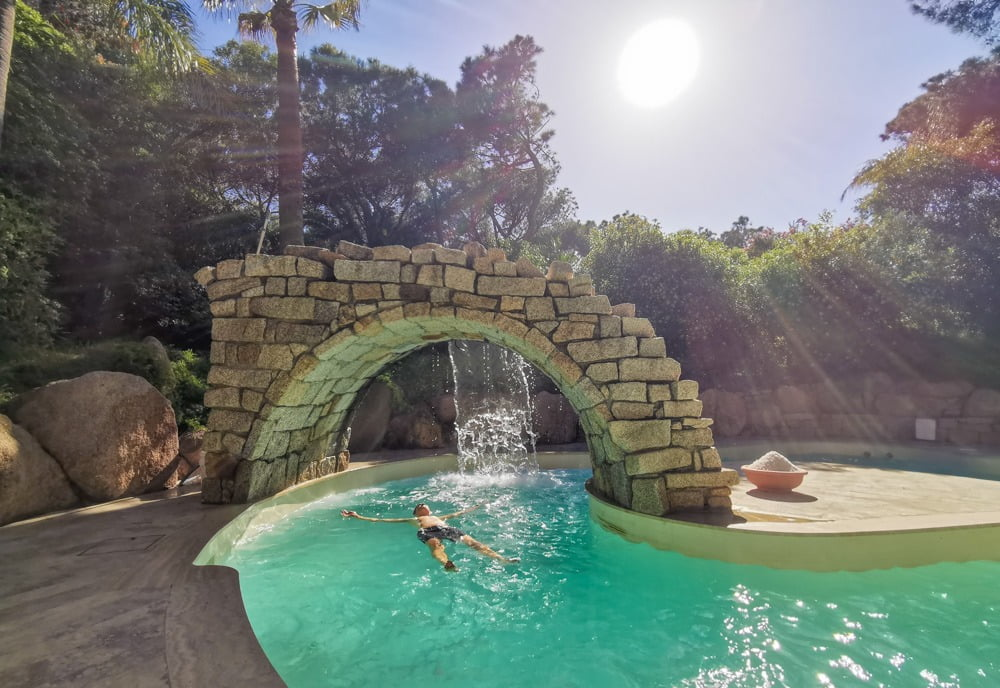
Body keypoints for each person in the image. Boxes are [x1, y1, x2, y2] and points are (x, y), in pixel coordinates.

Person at [340, 502, 520, 571]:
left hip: (446, 528)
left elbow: (459, 513)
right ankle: (447, 564)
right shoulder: (414, 519)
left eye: (423, 505)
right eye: (418, 506)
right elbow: (382, 520)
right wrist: (358, 516)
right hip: (428, 532)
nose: (421, 506)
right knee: (436, 546)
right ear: (417, 512)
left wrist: (478, 506)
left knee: (473, 542)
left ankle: (501, 558)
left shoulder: (439, 517)